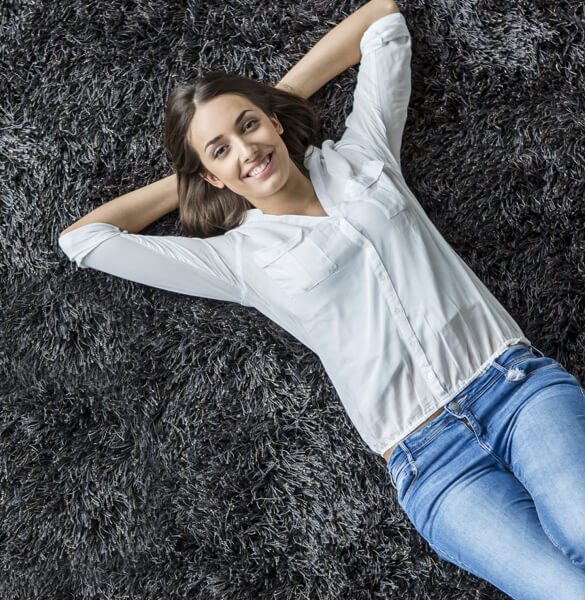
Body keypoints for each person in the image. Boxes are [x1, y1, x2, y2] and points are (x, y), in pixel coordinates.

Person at [58, 0, 585, 597]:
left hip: (513, 389)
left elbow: (382, 19)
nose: (246, 149)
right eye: (220, 150)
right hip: (430, 463)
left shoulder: (365, 154)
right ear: (209, 178)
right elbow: (85, 240)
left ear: (276, 122)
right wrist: (200, 167)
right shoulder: (238, 260)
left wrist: (274, 101)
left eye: (249, 125)